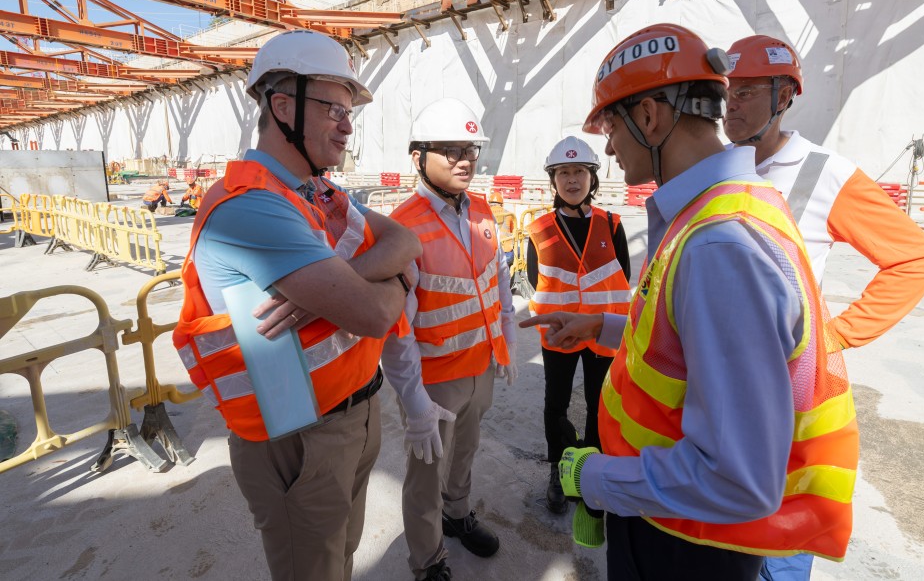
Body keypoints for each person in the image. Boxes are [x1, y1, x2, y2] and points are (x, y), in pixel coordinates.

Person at [520, 24, 859, 580]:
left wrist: (595, 477)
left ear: (650, 116)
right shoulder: (721, 211)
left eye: (610, 125)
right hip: (677, 523)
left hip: (686, 541)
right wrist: (600, 325)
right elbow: (677, 326)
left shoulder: (717, 246)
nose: (608, 147)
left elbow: (736, 478)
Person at [171, 29, 421, 581]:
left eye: (350, 110)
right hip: (299, 440)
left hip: (354, 412)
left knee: (339, 556)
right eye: (335, 107)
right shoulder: (251, 208)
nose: (348, 125)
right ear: (283, 106)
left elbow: (406, 241)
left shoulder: (317, 192)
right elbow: (377, 313)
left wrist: (338, 288)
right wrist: (397, 283)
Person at [724, 34, 924, 580]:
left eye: (747, 92)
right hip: (721, 382)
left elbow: (915, 259)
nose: (732, 105)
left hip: (791, 391)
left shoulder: (825, 174)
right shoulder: (714, 166)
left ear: (784, 98)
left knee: (783, 535)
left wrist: (837, 334)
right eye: (725, 93)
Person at [385, 97, 518, 581]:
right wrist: (411, 396)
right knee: (424, 476)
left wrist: (505, 337)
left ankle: (458, 514)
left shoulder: (482, 210)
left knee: (465, 452)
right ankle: (428, 559)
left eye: (471, 149)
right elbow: (395, 326)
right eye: (449, 149)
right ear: (417, 156)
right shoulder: (402, 227)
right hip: (434, 380)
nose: (464, 159)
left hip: (479, 367)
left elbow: (497, 279)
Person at [525, 135, 631, 515]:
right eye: (564, 173)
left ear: (592, 179)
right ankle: (558, 468)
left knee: (598, 403)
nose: (573, 180)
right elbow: (536, 284)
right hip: (559, 336)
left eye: (580, 172)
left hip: (602, 333)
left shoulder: (613, 224)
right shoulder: (538, 230)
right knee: (556, 403)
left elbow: (623, 281)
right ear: (553, 180)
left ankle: (589, 471)